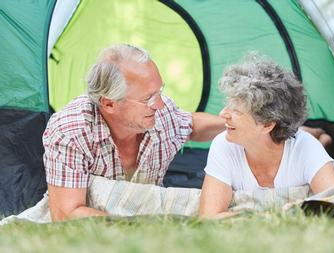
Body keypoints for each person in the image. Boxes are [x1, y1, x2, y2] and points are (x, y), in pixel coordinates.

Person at [43, 44, 225, 221]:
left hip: (147, 217)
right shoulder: (70, 132)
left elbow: (192, 126)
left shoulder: (160, 114)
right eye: (148, 98)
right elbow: (65, 216)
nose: (160, 105)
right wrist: (144, 228)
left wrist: (235, 125)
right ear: (109, 104)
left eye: (159, 91)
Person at [199, 53, 334, 218]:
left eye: (236, 110)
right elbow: (209, 217)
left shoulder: (304, 147)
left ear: (267, 124)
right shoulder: (223, 145)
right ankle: (320, 135)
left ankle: (320, 137)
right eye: (227, 105)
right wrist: (271, 218)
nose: (222, 114)